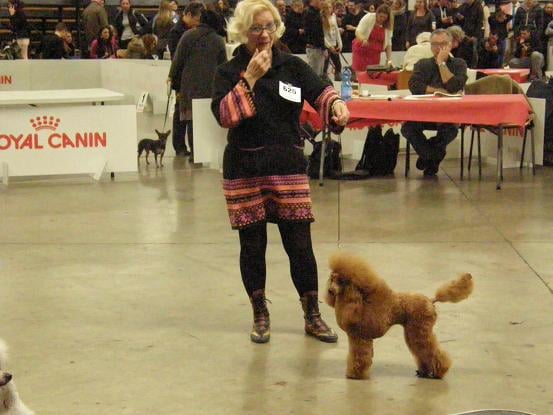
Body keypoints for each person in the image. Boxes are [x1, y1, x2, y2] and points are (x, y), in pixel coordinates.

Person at [211, 0, 349, 344]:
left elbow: (320, 91)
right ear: (243, 32)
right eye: (256, 28)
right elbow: (225, 116)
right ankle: (260, 313)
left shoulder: (291, 65)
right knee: (252, 245)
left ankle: (312, 315)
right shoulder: (228, 71)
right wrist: (251, 77)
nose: (264, 34)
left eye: (269, 26)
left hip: (286, 166)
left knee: (299, 244)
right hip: (244, 168)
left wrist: (336, 105)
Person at [401, 29, 467, 177]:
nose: (438, 48)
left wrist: (441, 64)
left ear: (450, 45)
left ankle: (427, 157)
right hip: (424, 113)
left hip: (448, 115)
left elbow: (454, 86)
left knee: (450, 129)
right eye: (435, 44)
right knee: (408, 128)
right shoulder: (422, 64)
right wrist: (437, 91)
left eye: (443, 44)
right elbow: (415, 86)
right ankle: (431, 157)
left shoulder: (459, 64)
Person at [169, 9, 226, 162]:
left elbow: (177, 60)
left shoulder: (188, 35)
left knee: (191, 120)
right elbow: (224, 65)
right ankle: (205, 151)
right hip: (211, 86)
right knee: (206, 118)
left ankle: (195, 153)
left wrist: (172, 78)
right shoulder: (219, 40)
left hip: (189, 85)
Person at [352, 4, 393, 71]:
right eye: (380, 16)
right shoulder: (369, 17)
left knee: (372, 74)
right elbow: (358, 31)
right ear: (377, 13)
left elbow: (388, 44)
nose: (382, 19)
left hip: (375, 55)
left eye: (384, 17)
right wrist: (363, 39)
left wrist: (389, 60)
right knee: (360, 73)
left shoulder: (388, 25)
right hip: (361, 51)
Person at [304, 0, 327, 76]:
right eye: (320, 0)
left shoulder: (316, 13)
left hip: (317, 48)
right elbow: (316, 33)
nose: (322, 2)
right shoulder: (311, 14)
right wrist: (323, 48)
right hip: (315, 48)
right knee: (315, 75)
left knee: (318, 74)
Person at [321, 0, 343, 80]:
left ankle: (338, 78)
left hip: (334, 43)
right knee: (325, 65)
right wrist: (329, 46)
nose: (328, 9)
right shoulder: (321, 18)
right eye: (326, 8)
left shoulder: (333, 16)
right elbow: (322, 35)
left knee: (338, 64)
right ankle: (324, 79)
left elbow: (336, 30)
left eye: (330, 7)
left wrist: (340, 43)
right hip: (326, 45)